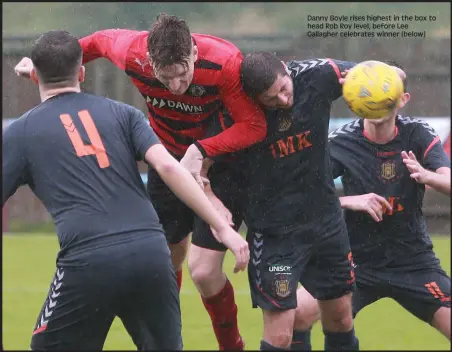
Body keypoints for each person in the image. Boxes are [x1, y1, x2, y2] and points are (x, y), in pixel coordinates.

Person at [15, 14, 266, 350]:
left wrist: (201, 151)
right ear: (149, 62)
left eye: (183, 73)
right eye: (166, 77)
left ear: (193, 52)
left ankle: (231, 346)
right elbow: (91, 44)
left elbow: (253, 126)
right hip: (169, 163)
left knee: (204, 271)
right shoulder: (131, 51)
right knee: (165, 261)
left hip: (221, 165)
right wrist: (43, 68)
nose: (176, 85)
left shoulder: (225, 63)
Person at [292, 65, 451, 347]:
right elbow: (301, 195)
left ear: (403, 100)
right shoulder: (342, 141)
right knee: (297, 316)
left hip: (412, 260)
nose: (379, 103)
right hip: (354, 259)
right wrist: (347, 200)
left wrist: (428, 176)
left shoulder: (417, 133)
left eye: (388, 96)